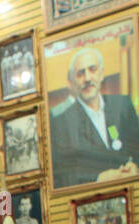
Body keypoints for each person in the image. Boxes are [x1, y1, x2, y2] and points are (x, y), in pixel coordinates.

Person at [49, 47, 139, 190]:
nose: (87, 78)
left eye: (92, 69)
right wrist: (97, 179)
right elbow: (60, 176)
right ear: (72, 82)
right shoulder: (61, 123)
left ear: (101, 74)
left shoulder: (122, 105)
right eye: (80, 73)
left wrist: (135, 167)